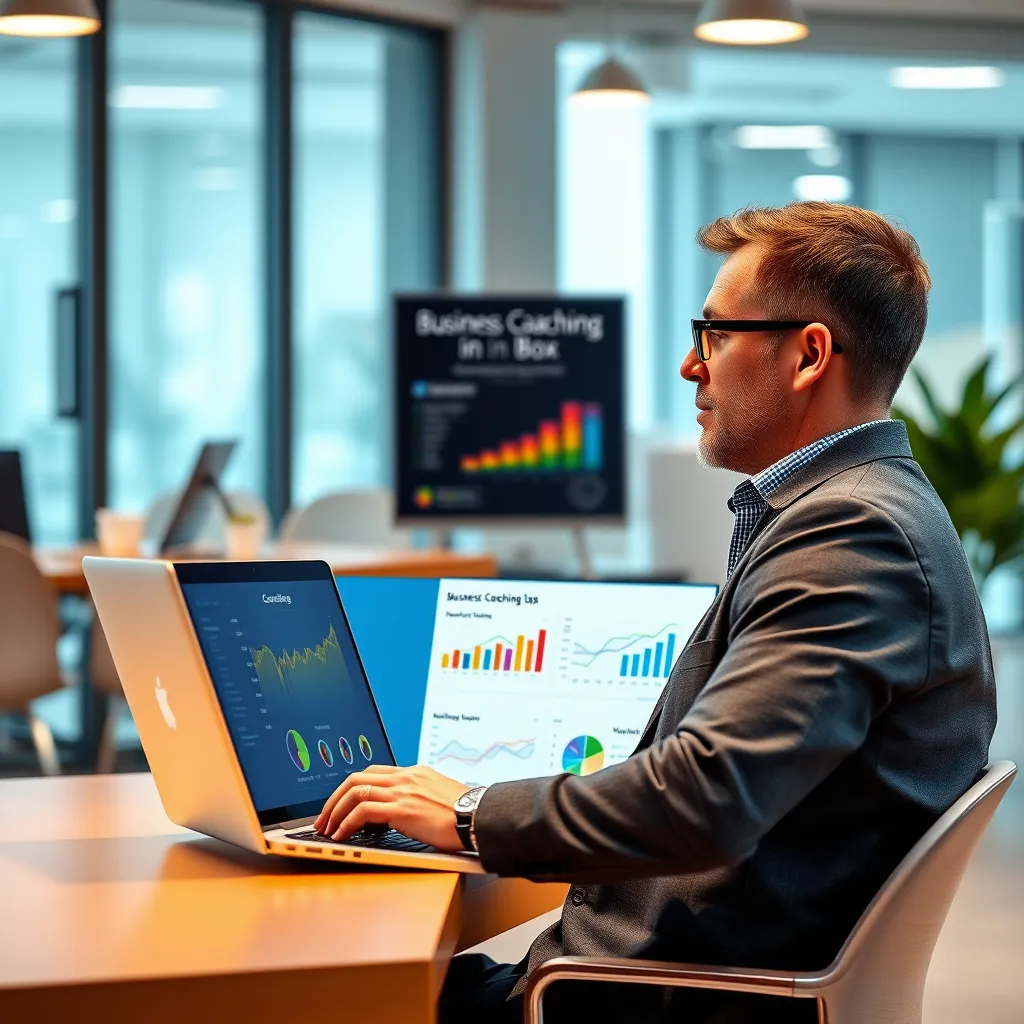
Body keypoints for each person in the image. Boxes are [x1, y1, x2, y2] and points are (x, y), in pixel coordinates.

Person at [314, 202, 997, 1023]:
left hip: (645, 998)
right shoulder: (862, 507)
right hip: (671, 971)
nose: (688, 365)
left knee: (308, 990)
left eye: (713, 334)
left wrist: (466, 813)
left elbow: (708, 795)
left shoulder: (851, 530)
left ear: (810, 354)